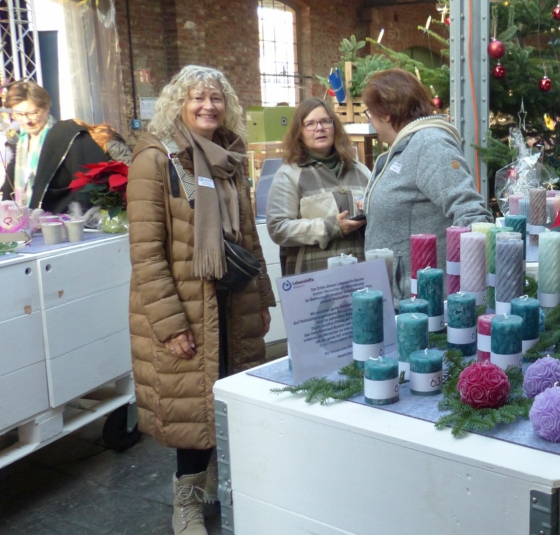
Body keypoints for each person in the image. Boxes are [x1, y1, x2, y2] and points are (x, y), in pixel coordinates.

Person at [126, 65, 275, 535]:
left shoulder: (230, 155)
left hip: (232, 303)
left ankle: (216, 480)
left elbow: (248, 236)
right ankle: (185, 503)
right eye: (197, 97)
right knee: (193, 410)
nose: (208, 106)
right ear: (179, 103)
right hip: (187, 307)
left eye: (216, 98)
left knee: (226, 396)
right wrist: (171, 324)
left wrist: (262, 298)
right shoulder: (156, 160)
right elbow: (147, 253)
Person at [361, 69, 491, 298]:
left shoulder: (430, 144)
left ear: (386, 113)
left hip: (422, 302)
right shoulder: (407, 146)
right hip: (401, 297)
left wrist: (465, 292)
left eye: (369, 112)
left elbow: (471, 214)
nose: (370, 120)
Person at [266, 98, 372, 275]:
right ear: (299, 132)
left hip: (361, 276)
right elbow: (278, 228)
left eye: (325, 121)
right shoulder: (289, 175)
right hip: (314, 281)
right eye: (310, 124)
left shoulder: (360, 171)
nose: (319, 128)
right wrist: (329, 227)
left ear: (335, 127)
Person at [1, 81, 107, 213]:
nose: (26, 120)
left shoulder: (68, 135)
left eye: (33, 113)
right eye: (19, 114)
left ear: (46, 108)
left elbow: (89, 186)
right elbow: (9, 188)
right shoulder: (15, 142)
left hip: (60, 219)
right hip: (21, 219)